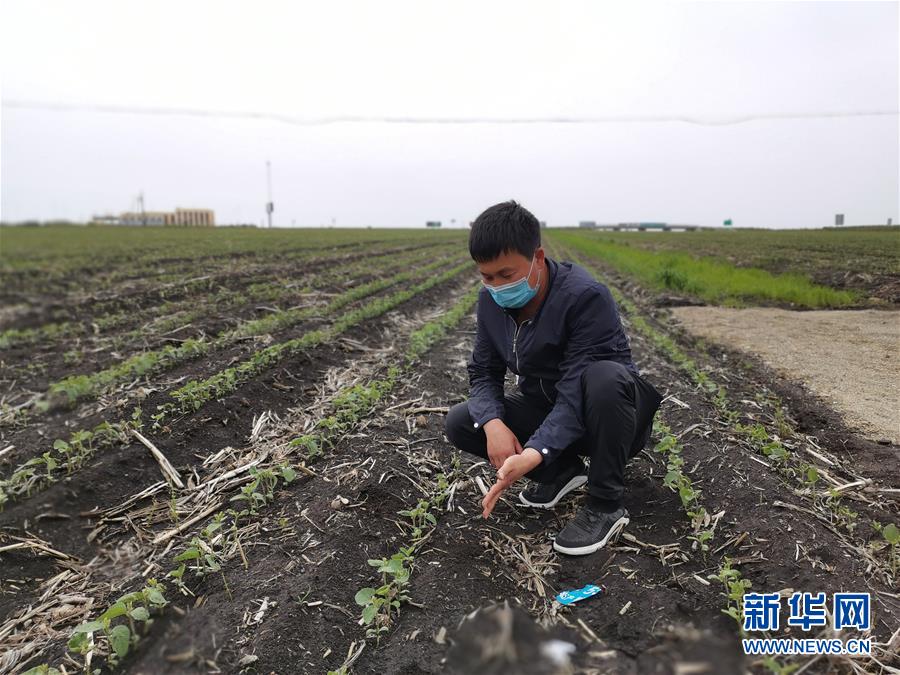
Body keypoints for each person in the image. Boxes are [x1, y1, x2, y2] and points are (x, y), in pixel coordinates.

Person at [444, 201, 663, 555]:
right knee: (462, 421)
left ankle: (606, 505)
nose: (497, 286)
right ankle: (561, 473)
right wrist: (492, 422)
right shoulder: (490, 303)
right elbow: (484, 370)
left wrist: (533, 452)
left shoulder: (584, 297)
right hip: (544, 408)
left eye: (507, 274)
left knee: (605, 377)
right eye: (487, 276)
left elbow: (577, 393)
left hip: (605, 418)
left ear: (538, 258)